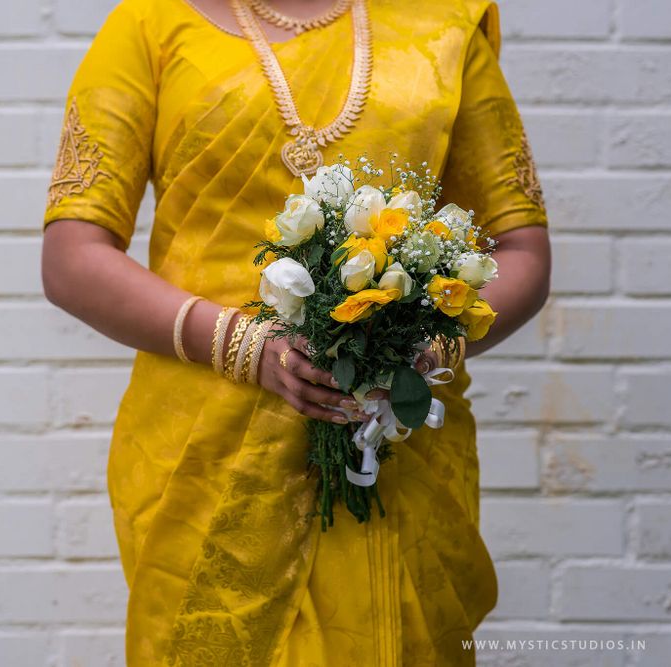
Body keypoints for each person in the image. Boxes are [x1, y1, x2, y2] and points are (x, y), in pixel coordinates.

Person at [40, 0, 551, 664]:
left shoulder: (443, 25)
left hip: (391, 440)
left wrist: (421, 351)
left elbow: (524, 252)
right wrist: (240, 344)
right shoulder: (150, 25)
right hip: (210, 453)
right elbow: (73, 254)